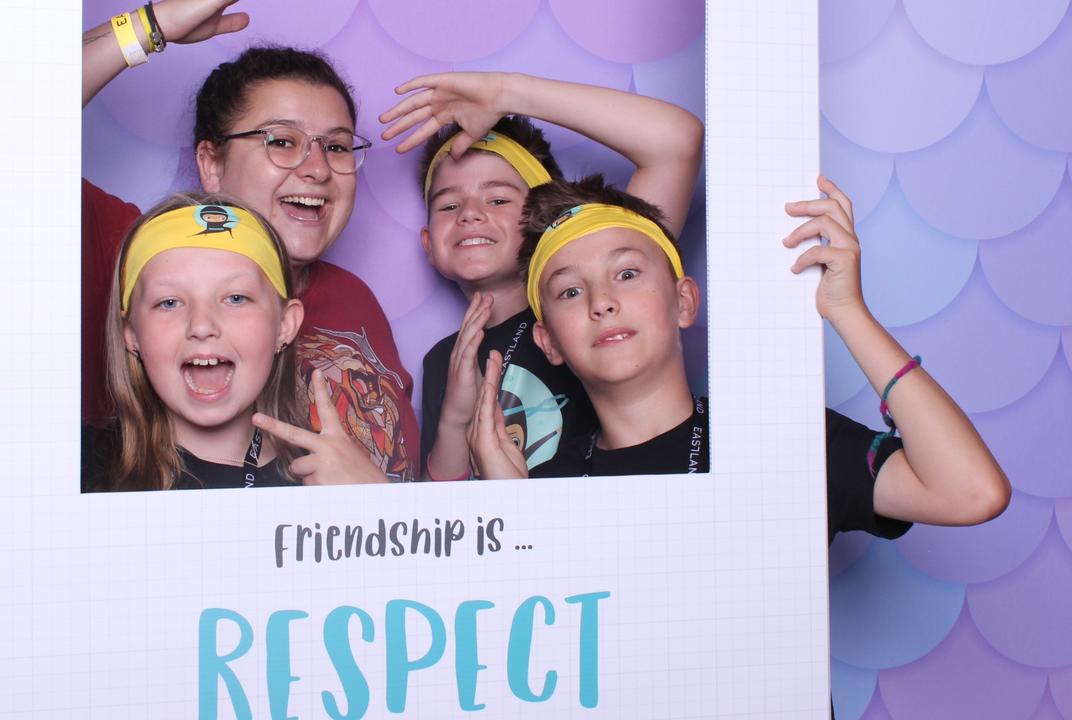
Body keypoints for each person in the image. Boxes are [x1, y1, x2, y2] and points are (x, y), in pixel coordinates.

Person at [0, 194, 384, 611]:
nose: (202, 326)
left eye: (235, 297)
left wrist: (382, 519)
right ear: (130, 334)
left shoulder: (336, 486)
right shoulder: (72, 473)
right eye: (168, 304)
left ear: (286, 324)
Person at [468, 175, 1010, 542]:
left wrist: (848, 311)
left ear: (684, 302)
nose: (602, 301)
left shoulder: (778, 441)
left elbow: (972, 493)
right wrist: (513, 512)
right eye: (569, 292)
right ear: (549, 343)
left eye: (627, 274)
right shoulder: (543, 488)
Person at [81, 1, 420, 481]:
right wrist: (145, 28)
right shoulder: (140, 255)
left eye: (337, 146)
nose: (318, 168)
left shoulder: (354, 296)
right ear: (212, 164)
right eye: (282, 140)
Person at [378, 71, 703, 479]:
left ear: (541, 217)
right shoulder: (443, 359)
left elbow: (675, 143)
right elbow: (445, 513)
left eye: (497, 198)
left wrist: (505, 94)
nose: (471, 214)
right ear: (428, 242)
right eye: (448, 206)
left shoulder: (588, 307)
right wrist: (454, 424)